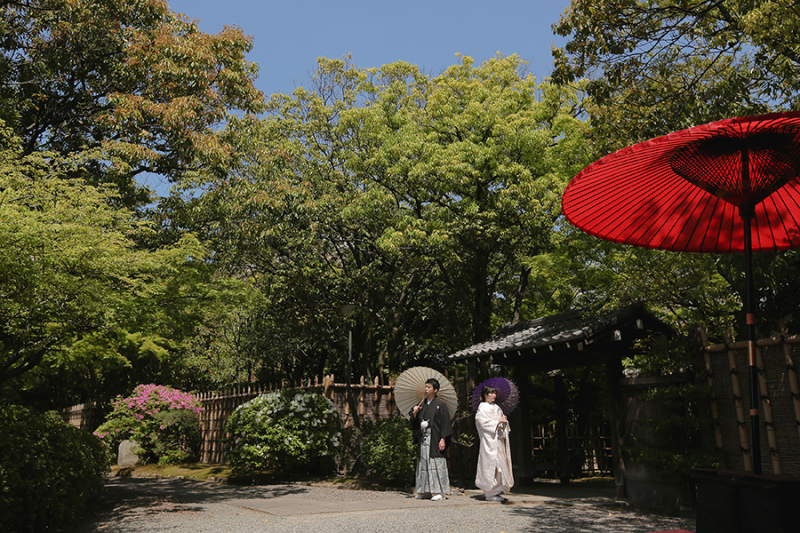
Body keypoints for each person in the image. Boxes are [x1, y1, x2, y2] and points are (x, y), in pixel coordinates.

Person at [409, 377, 453, 501]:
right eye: (426, 387)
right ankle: (425, 490)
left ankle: (439, 491)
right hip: (424, 438)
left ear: (435, 390)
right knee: (423, 463)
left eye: (428, 387)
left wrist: (443, 438)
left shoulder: (440, 405)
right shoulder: (422, 404)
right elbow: (415, 422)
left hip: (435, 437)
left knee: (436, 463)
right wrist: (415, 413)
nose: (426, 389)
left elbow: (445, 423)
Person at [474, 385, 514, 501]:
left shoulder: (497, 408)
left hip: (498, 440)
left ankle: (498, 490)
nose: (494, 395)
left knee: (500, 465)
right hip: (489, 441)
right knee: (491, 464)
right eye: (492, 393)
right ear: (485, 395)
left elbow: (501, 422)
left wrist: (503, 421)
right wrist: (497, 422)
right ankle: (490, 492)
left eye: (495, 393)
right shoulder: (482, 407)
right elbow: (481, 422)